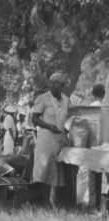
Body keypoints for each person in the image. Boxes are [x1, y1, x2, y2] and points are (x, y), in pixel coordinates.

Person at [31, 71, 70, 206]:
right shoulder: (43, 99)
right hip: (46, 138)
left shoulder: (66, 99)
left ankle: (54, 203)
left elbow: (65, 118)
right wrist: (49, 126)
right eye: (56, 84)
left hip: (60, 139)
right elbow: (34, 119)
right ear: (52, 84)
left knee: (57, 171)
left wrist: (66, 129)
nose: (58, 87)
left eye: (61, 85)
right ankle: (42, 202)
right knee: (44, 169)